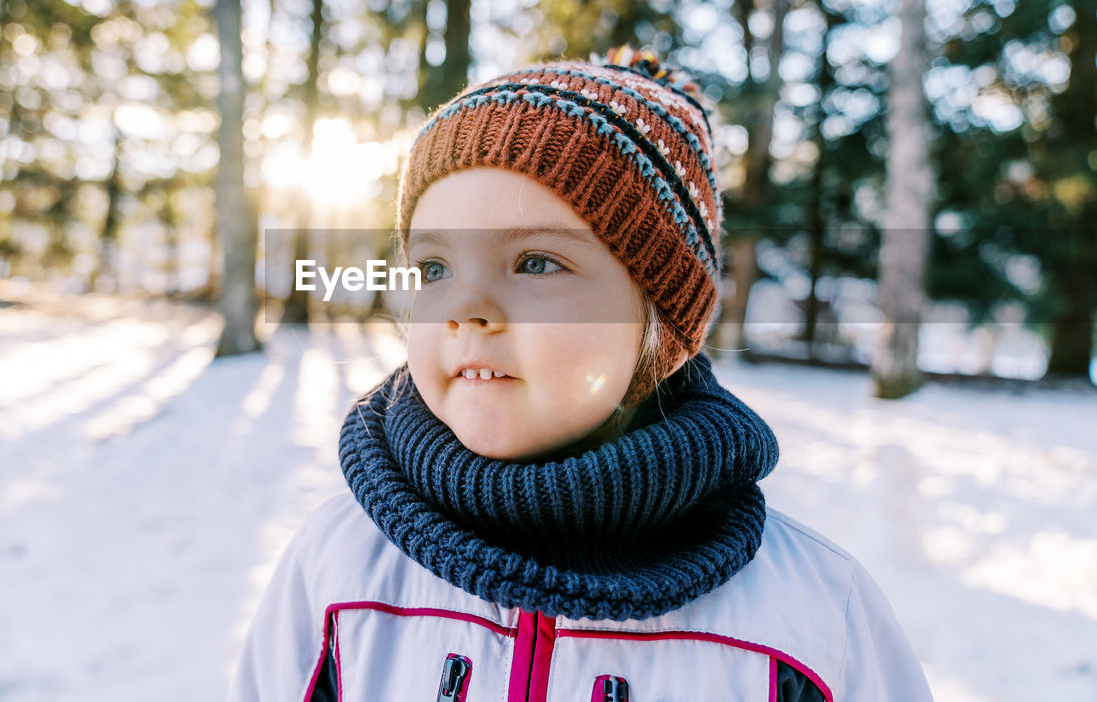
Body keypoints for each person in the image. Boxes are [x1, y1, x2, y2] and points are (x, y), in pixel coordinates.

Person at [228, 48, 934, 701]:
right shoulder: (338, 572)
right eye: (434, 268)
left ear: (660, 328)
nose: (465, 309)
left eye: (537, 262)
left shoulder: (808, 618)